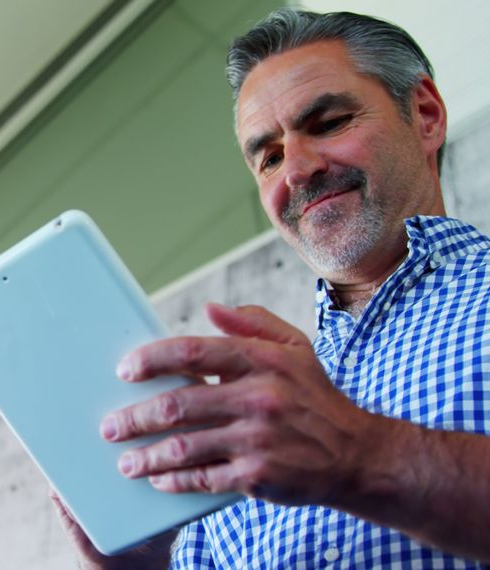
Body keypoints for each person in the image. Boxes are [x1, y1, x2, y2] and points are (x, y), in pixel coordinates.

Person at [54, 8, 490, 568]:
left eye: (329, 122)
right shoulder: (253, 414)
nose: (297, 170)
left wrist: (361, 454)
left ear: (425, 115)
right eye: (270, 156)